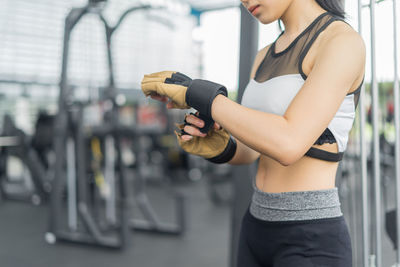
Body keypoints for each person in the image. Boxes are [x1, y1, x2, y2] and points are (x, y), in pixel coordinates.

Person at [141, 0, 366, 266]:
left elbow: (288, 143)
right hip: (255, 225)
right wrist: (222, 149)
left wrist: (201, 95)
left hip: (310, 235)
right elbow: (251, 149)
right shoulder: (263, 56)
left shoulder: (341, 41)